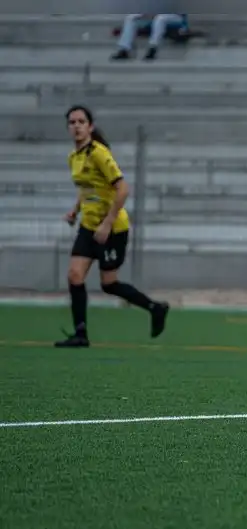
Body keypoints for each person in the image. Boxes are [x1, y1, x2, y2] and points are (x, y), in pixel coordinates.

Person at [56, 105, 169, 348]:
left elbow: (122, 188)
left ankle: (155, 308)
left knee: (109, 284)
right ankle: (80, 333)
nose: (76, 126)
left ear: (90, 127)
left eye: (81, 122)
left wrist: (107, 223)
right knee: (75, 275)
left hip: (112, 228)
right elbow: (86, 188)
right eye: (72, 122)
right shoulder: (73, 157)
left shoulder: (99, 153)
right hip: (88, 226)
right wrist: (75, 210)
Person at [111, 12, 189, 61]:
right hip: (153, 14)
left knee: (160, 18)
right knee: (131, 17)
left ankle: (153, 48)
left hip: (175, 16)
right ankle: (124, 49)